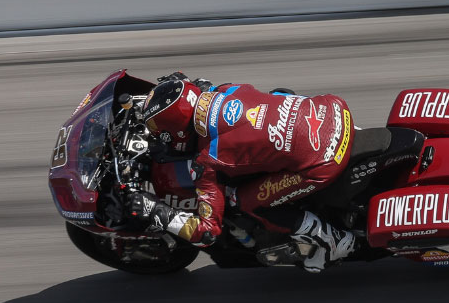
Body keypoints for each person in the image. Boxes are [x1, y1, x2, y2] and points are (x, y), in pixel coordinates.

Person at [123, 72, 357, 272]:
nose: (156, 133)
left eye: (157, 128)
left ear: (179, 131)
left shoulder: (208, 160)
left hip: (323, 160)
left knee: (243, 201)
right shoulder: (226, 90)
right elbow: (205, 87)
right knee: (277, 95)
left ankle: (331, 240)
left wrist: (155, 210)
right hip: (333, 110)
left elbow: (208, 233)